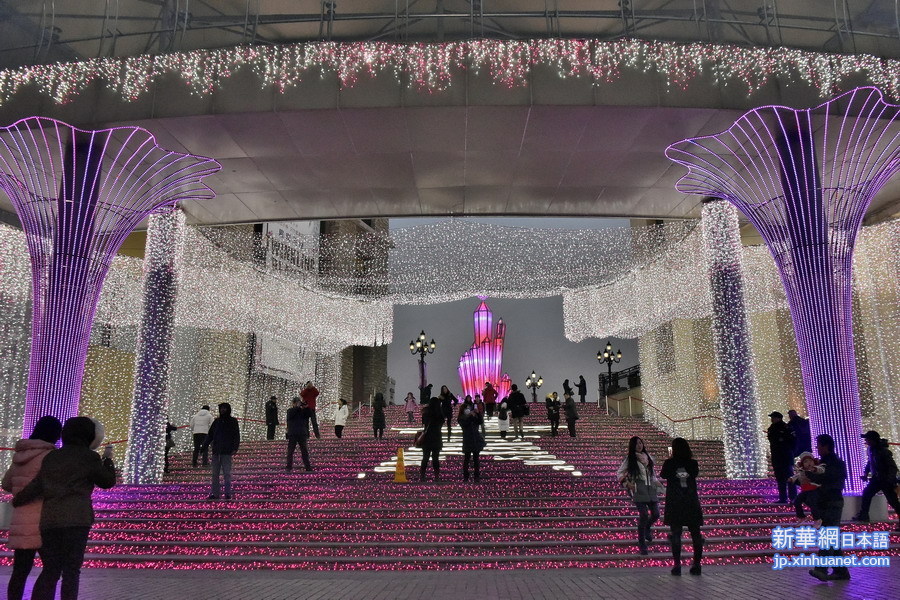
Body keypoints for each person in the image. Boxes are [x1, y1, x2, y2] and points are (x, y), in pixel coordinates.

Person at [12, 417, 116, 600]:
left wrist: (18, 500)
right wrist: (107, 460)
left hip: (50, 519)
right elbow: (107, 481)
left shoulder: (52, 457)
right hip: (77, 520)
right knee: (71, 571)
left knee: (51, 569)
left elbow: (38, 484)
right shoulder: (89, 457)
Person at [2, 415, 62, 600]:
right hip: (43, 518)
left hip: (21, 520)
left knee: (20, 571)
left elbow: (6, 484)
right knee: (53, 566)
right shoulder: (50, 456)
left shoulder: (20, 455)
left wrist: (20, 487)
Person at [807, 434, 850, 581]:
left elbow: (827, 479)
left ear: (826, 446)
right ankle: (841, 571)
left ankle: (821, 569)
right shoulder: (824, 463)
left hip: (832, 502)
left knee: (829, 536)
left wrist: (811, 475)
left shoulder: (834, 463)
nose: (817, 448)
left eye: (819, 445)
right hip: (826, 502)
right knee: (832, 537)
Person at [660, 437, 703, 576]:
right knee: (695, 534)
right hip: (691, 500)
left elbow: (663, 475)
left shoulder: (669, 463)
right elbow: (694, 474)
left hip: (675, 501)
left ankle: (677, 565)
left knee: (676, 533)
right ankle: (697, 564)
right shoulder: (692, 463)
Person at [617, 436, 661, 556]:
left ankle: (647, 527)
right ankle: (642, 543)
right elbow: (620, 472)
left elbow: (652, 474)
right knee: (644, 515)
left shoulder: (648, 457)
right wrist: (627, 483)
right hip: (638, 489)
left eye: (641, 443)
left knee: (656, 514)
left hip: (650, 488)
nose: (639, 445)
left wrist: (658, 485)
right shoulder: (630, 459)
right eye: (636, 444)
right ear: (632, 446)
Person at [854, 430, 900, 529]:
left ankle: (864, 515)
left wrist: (889, 480)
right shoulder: (871, 450)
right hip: (877, 479)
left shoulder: (883, 451)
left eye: (867, 439)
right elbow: (870, 463)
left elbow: (892, 467)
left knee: (893, 502)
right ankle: (864, 515)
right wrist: (866, 474)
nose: (866, 441)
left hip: (885, 479)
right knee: (867, 493)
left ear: (873, 440)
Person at [200, 403, 241, 500]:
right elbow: (210, 435)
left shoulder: (232, 421)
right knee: (215, 474)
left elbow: (236, 435)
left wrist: (235, 448)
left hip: (226, 451)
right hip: (217, 451)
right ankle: (215, 493)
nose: (222, 410)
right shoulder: (217, 421)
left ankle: (227, 493)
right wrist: (204, 446)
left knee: (226, 473)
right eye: (221, 408)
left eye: (224, 408)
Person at [766, 411, 796, 503]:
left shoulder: (785, 427)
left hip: (785, 456)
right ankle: (783, 498)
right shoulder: (772, 428)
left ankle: (792, 497)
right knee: (780, 478)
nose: (772, 419)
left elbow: (792, 441)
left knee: (789, 477)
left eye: (773, 417)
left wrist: (790, 451)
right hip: (777, 456)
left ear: (778, 418)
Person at [790, 452, 823, 525]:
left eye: (810, 461)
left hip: (813, 489)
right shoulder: (802, 472)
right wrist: (791, 479)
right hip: (805, 490)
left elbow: (821, 470)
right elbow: (796, 476)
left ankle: (817, 519)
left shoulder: (816, 469)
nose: (809, 463)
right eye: (806, 462)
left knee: (812, 503)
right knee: (797, 501)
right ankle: (801, 517)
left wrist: (814, 469)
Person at [459, 399, 485, 482]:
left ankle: (476, 476)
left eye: (468, 408)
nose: (468, 410)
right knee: (467, 458)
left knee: (476, 459)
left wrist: (478, 413)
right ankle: (466, 476)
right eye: (466, 408)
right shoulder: (461, 418)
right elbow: (465, 424)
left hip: (475, 439)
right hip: (467, 440)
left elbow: (480, 421)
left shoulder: (473, 416)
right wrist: (470, 416)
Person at [419, 398, 445, 482]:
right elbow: (441, 423)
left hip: (427, 438)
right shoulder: (439, 413)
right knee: (435, 458)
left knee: (425, 457)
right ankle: (436, 476)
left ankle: (422, 475)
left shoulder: (426, 412)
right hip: (436, 437)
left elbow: (424, 422)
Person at [285, 397, 313, 471]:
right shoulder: (290, 411)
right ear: (293, 403)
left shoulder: (302, 411)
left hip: (302, 433)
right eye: (297, 402)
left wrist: (306, 407)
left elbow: (310, 414)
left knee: (304, 451)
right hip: (293, 434)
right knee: (290, 451)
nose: (298, 404)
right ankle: (288, 467)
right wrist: (297, 407)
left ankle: (308, 467)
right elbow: (291, 415)